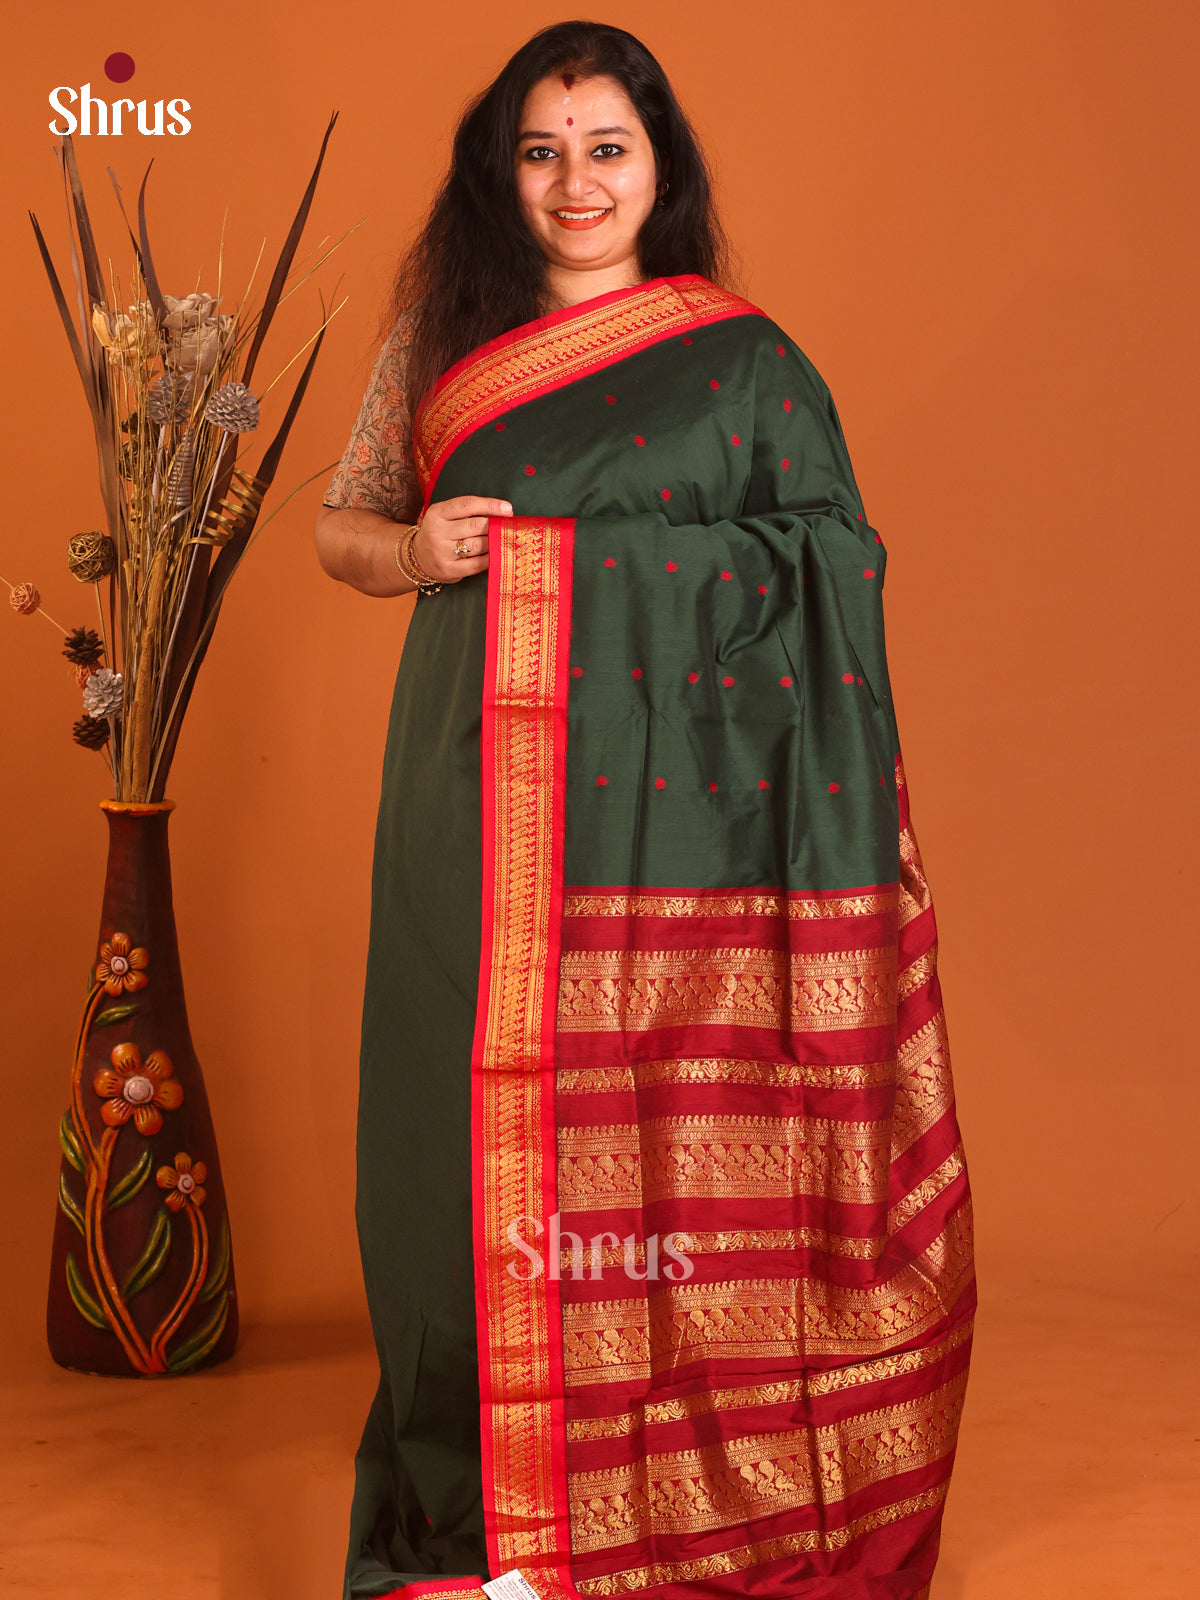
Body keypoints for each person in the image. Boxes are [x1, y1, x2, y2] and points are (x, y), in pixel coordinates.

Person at [314, 20, 975, 1600]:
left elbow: (835, 563)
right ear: (499, 174)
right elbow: (341, 527)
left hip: (681, 840)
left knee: (667, 1140)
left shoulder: (746, 363)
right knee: (446, 1153)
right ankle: (476, 1525)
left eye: (607, 149)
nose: (576, 184)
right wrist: (415, 554)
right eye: (541, 153)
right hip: (470, 795)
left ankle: (654, 1513)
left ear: (659, 168)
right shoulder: (442, 340)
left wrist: (578, 569)